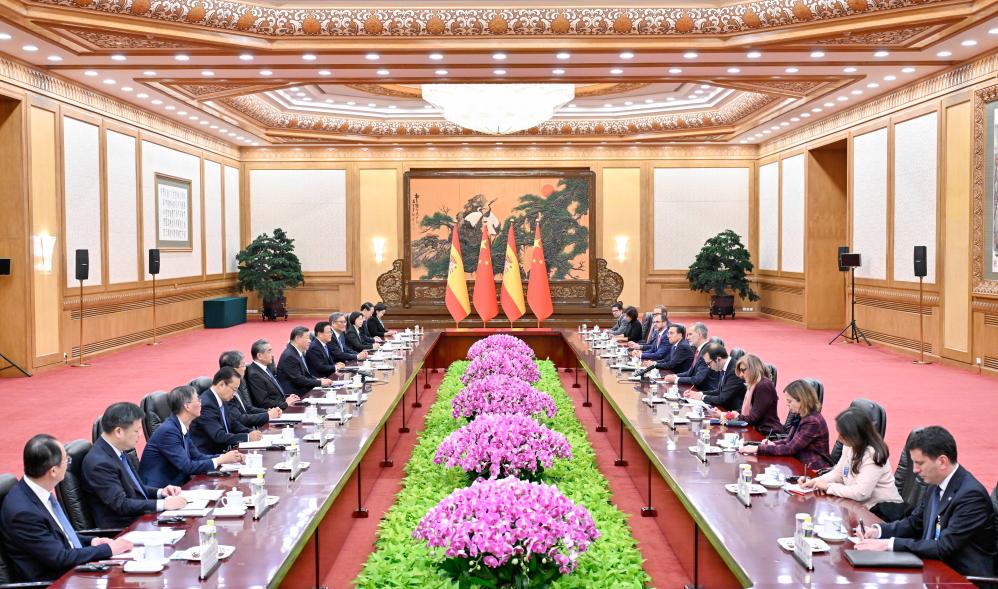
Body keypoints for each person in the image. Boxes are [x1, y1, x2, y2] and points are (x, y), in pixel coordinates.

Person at [856, 426, 996, 580]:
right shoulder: (936, 483)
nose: (915, 470)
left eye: (920, 463)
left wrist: (888, 544)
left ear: (942, 461)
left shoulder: (971, 496)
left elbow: (944, 547)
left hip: (961, 577)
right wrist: (878, 532)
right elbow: (915, 523)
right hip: (931, 567)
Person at [0, 434, 133, 582]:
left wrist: (91, 541)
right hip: (56, 581)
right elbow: (59, 558)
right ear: (53, 471)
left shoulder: (37, 492)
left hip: (71, 571)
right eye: (66, 460)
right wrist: (108, 550)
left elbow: (58, 535)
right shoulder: (23, 513)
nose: (67, 464)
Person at [82, 402, 188, 528]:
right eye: (136, 430)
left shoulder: (116, 449)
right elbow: (121, 504)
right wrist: (163, 504)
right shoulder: (99, 463)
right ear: (119, 431)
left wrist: (160, 492)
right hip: (124, 528)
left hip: (141, 518)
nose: (140, 435)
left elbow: (133, 489)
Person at [801, 409, 904, 521]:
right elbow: (838, 474)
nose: (839, 438)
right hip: (857, 507)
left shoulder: (873, 454)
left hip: (881, 514)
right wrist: (815, 481)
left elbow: (861, 493)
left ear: (856, 435)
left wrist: (828, 487)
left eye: (843, 435)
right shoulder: (850, 446)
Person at [139, 386, 242, 488]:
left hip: (176, 485)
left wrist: (228, 457)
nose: (201, 403)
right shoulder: (169, 431)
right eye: (198, 400)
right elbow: (187, 466)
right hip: (161, 490)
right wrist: (220, 460)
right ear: (187, 406)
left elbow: (197, 456)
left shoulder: (180, 426)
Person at [739, 379, 831, 471]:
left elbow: (790, 448)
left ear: (802, 401)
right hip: (799, 463)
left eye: (790, 401)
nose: (787, 404)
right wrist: (773, 443)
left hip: (813, 469)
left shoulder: (812, 421)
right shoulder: (802, 415)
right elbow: (789, 440)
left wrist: (757, 449)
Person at [190, 367, 263, 454]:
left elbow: (233, 424)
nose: (234, 394)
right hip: (209, 456)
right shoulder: (206, 405)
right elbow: (218, 436)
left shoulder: (221, 399)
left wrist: (252, 432)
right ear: (221, 384)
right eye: (234, 389)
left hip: (226, 451)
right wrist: (247, 437)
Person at [710, 354, 782, 436]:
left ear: (753, 368)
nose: (741, 375)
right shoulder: (754, 384)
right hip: (755, 430)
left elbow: (753, 418)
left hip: (766, 434)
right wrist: (723, 414)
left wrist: (734, 416)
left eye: (743, 370)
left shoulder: (763, 386)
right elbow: (747, 412)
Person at [219, 350, 281, 428]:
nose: (245, 368)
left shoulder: (236, 386)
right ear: (233, 369)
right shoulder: (225, 391)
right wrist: (267, 415)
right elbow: (240, 419)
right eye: (243, 365)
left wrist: (269, 411)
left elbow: (248, 408)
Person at [685, 343, 746, 411]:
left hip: (733, 412)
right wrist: (699, 393)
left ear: (718, 359)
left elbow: (722, 398)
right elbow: (719, 391)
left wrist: (702, 397)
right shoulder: (723, 366)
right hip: (724, 408)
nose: (708, 366)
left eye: (708, 363)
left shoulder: (734, 371)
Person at [276, 326, 333, 396]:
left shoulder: (297, 353)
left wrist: (318, 380)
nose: (310, 341)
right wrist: (320, 382)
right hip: (295, 394)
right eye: (307, 338)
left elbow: (305, 376)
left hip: (302, 389)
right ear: (297, 339)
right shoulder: (290, 356)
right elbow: (299, 380)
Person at [245, 338, 300, 410]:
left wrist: (288, 397)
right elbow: (263, 402)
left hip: (280, 406)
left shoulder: (265, 368)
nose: (272, 354)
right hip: (272, 412)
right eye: (269, 352)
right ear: (259, 356)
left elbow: (274, 394)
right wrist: (285, 403)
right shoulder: (254, 374)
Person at [662, 322, 718, 391]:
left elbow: (698, 379)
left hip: (705, 392)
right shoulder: (698, 349)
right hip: (696, 389)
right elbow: (690, 372)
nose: (687, 338)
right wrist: (675, 376)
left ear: (699, 335)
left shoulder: (707, 352)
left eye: (690, 334)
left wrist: (676, 379)